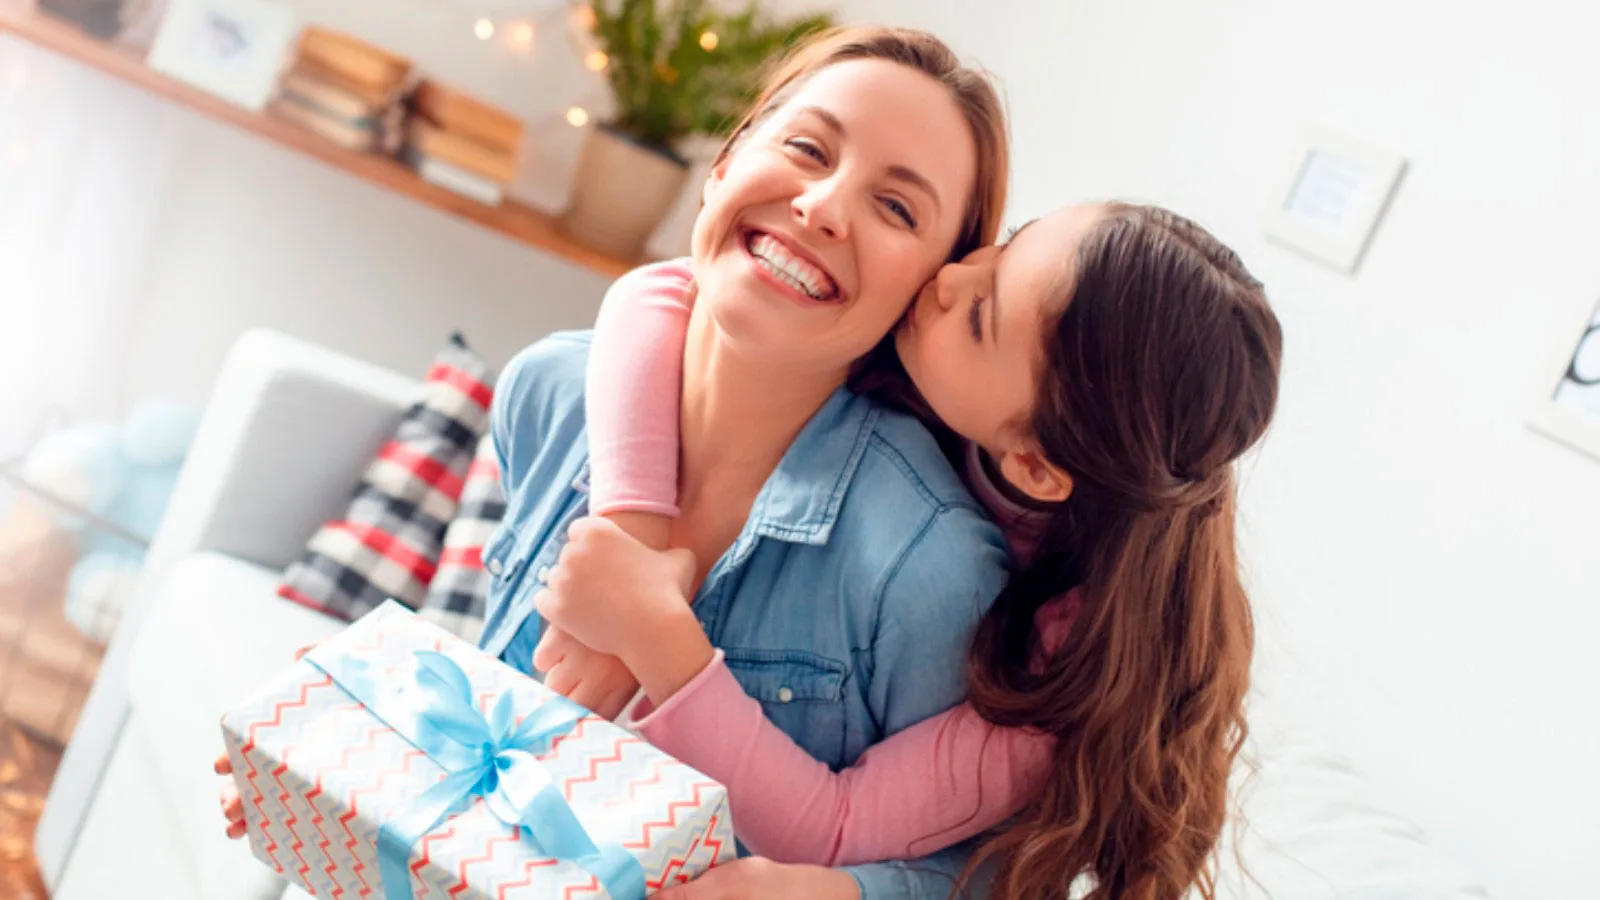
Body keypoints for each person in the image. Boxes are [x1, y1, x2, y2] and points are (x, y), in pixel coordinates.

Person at [221, 24, 1016, 900]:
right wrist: (352, 746)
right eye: (807, 148)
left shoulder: (929, 568)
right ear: (725, 163)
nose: (824, 206)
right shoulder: (550, 393)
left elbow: (979, 879)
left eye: (897, 208)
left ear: (927, 295)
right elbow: (505, 722)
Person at [536, 201, 1283, 900]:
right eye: (1004, 248)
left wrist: (655, 635)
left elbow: (836, 827)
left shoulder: (1067, 659)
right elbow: (667, 289)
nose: (952, 278)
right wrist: (633, 532)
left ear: (1034, 466)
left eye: (982, 316)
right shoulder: (935, 353)